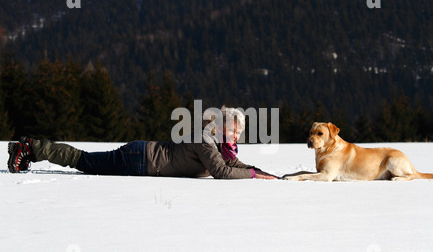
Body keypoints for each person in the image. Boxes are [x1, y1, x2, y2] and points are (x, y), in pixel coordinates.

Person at [7, 106, 279, 180]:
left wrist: (258, 172)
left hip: (141, 158)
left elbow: (232, 163)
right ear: (221, 128)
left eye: (238, 135)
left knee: (86, 161)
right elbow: (221, 171)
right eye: (233, 132)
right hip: (139, 160)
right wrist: (253, 174)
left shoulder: (216, 144)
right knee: (84, 161)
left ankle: (31, 149)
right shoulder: (205, 139)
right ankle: (31, 146)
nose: (236, 138)